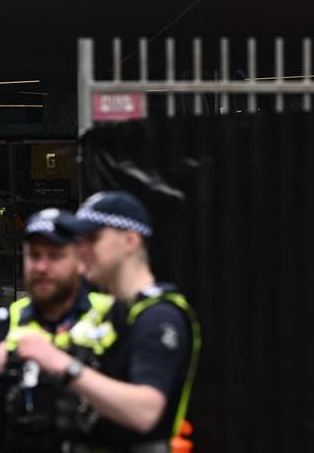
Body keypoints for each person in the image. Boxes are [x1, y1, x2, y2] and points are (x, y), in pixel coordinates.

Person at [11, 191, 200, 453]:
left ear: (130, 241)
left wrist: (60, 363)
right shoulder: (111, 313)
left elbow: (145, 411)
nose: (81, 249)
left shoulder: (158, 316)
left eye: (93, 238)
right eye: (80, 240)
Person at [0, 208, 117, 450]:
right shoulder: (1, 325)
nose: (42, 266)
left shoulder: (111, 318)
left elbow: (145, 413)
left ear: (80, 261)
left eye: (54, 256)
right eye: (34, 256)